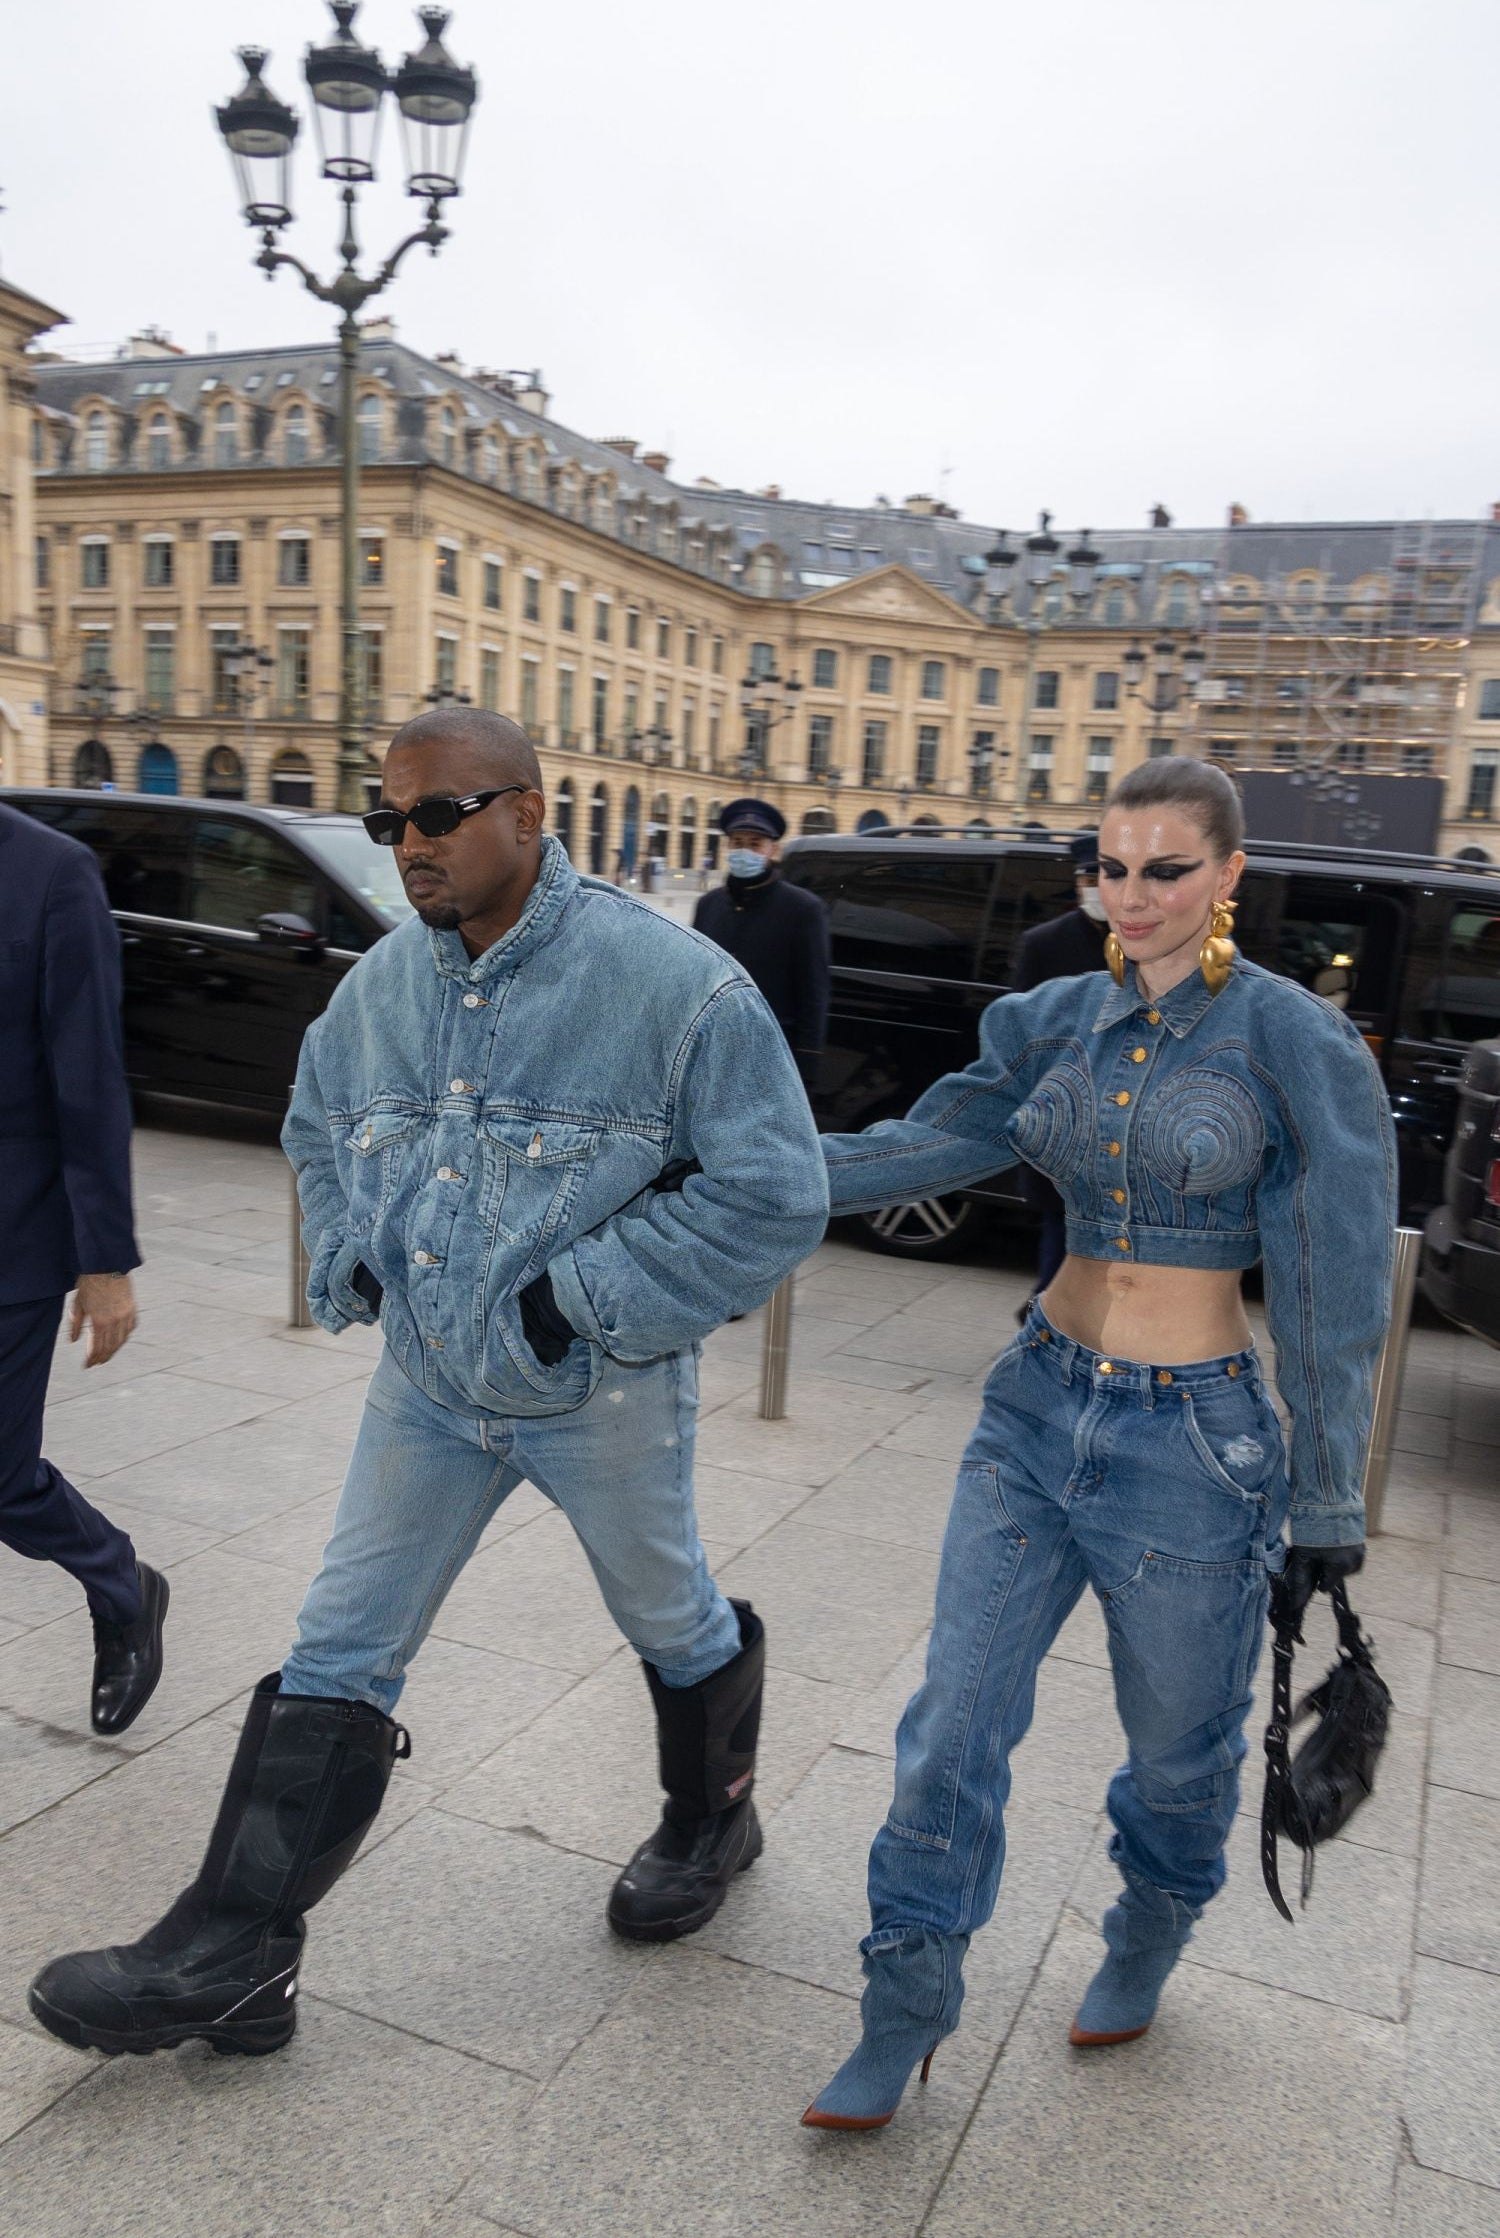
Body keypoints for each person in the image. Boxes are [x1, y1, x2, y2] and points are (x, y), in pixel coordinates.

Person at [29, 709, 827, 2062]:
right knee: (342, 1638)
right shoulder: (382, 986)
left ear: (528, 810)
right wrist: (356, 1255)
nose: (409, 842)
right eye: (388, 818)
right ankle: (237, 1954)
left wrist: (569, 1302)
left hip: (599, 1390)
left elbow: (775, 1194)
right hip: (428, 1387)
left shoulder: (674, 985)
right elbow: (316, 1122)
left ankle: (715, 1813)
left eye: (439, 813)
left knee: (667, 1608)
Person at [800, 756, 1395, 2131]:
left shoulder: (1293, 1039)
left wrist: (1325, 1497)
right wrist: (743, 1165)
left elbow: (1336, 1285)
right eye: (1111, 869)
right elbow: (922, 1144)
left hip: (1194, 1446)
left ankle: (1150, 1927)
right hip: (1034, 1407)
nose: (1133, 896)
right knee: (950, 1726)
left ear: (1229, 873)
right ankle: (904, 2003)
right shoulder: (1052, 1018)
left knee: (1181, 1750)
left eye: (1166, 869)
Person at [0, 802, 168, 1737]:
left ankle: (122, 1584)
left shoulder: (51, 872)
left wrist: (104, 1260)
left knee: (0, 1474)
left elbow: (88, 1069)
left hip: (12, 1230)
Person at [1012, 831, 1109, 1299]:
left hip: (1125, 1121)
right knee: (1060, 1235)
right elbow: (1021, 1034)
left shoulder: (1151, 942)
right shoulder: (1044, 944)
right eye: (1089, 879)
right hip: (1063, 1118)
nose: (1097, 889)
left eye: (1106, 878)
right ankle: (1046, 1319)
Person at [693, 799, 831, 1095]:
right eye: (737, 842)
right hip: (713, 1054)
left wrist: (805, 1068)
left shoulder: (803, 909)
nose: (744, 851)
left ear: (773, 850)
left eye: (755, 844)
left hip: (772, 1057)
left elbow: (814, 993)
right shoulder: (708, 905)